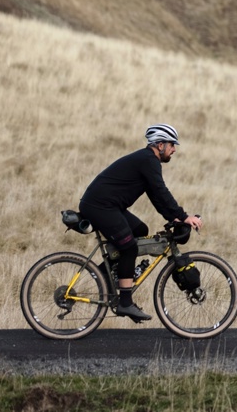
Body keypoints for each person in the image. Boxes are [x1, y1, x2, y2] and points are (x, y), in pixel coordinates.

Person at [78, 123, 203, 322]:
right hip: (100, 206)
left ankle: (104, 275)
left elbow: (156, 197)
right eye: (172, 145)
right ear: (160, 145)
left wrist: (176, 217)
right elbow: (161, 192)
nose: (174, 149)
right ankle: (125, 303)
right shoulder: (148, 160)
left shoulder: (146, 161)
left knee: (140, 230)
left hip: (106, 205)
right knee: (129, 248)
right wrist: (184, 216)